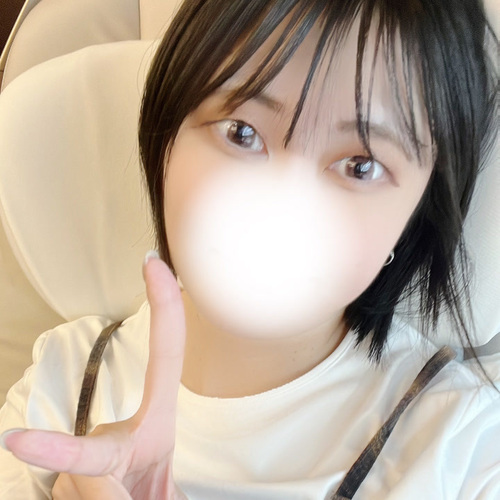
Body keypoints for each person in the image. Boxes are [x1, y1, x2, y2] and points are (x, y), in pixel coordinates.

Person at [0, 0, 499, 498]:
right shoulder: (60, 387)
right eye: (242, 132)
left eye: (360, 166)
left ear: (416, 214)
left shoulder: (464, 451)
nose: (283, 212)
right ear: (167, 134)